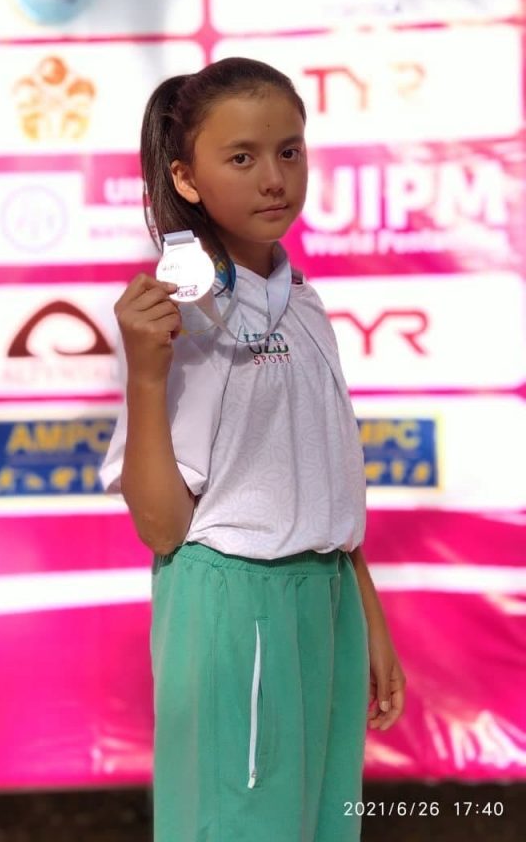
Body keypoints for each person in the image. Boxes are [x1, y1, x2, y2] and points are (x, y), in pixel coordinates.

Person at [99, 56, 406, 842]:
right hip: (236, 604)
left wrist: (365, 613)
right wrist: (145, 375)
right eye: (241, 157)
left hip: (326, 597)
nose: (274, 178)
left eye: (289, 151)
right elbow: (163, 528)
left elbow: (327, 476)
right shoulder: (181, 316)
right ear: (186, 178)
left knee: (320, 825)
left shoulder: (304, 302)